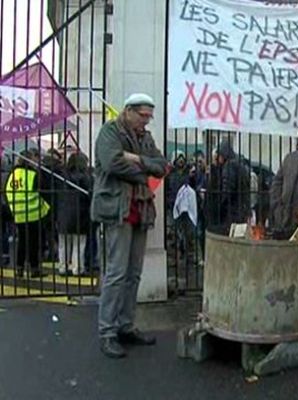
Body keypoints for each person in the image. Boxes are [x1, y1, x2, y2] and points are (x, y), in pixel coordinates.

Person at [91, 93, 168, 358]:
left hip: (141, 210)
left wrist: (137, 160)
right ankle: (107, 331)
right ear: (128, 111)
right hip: (117, 210)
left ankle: (125, 325)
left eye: (149, 116)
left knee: (133, 273)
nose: (146, 122)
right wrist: (145, 169)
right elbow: (112, 164)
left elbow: (162, 167)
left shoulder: (144, 137)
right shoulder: (109, 132)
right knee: (116, 273)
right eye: (143, 115)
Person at [4, 148, 51, 278]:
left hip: (18, 212)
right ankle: (34, 268)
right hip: (33, 212)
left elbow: (7, 191)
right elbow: (42, 191)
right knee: (34, 242)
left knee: (22, 241)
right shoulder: (32, 174)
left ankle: (19, 267)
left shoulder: (13, 174)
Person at [56, 152, 93, 276]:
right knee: (79, 243)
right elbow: (90, 194)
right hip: (80, 213)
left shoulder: (62, 176)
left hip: (63, 213)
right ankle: (77, 268)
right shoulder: (85, 177)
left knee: (63, 243)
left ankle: (62, 267)